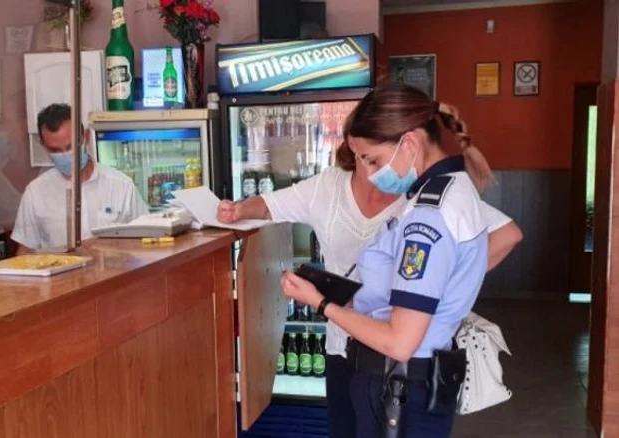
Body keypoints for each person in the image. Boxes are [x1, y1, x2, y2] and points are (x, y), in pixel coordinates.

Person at [217, 93, 522, 438]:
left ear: (409, 142)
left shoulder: (428, 217)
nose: (370, 172)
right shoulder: (452, 189)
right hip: (404, 375)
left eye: (374, 160)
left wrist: (321, 302)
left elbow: (400, 342)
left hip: (398, 382)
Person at [12, 103, 148, 253]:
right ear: (43, 146)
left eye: (71, 146)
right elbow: (23, 253)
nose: (65, 155)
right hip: (62, 275)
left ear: (86, 138)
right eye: (55, 150)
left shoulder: (121, 186)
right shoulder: (35, 193)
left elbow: (148, 240)